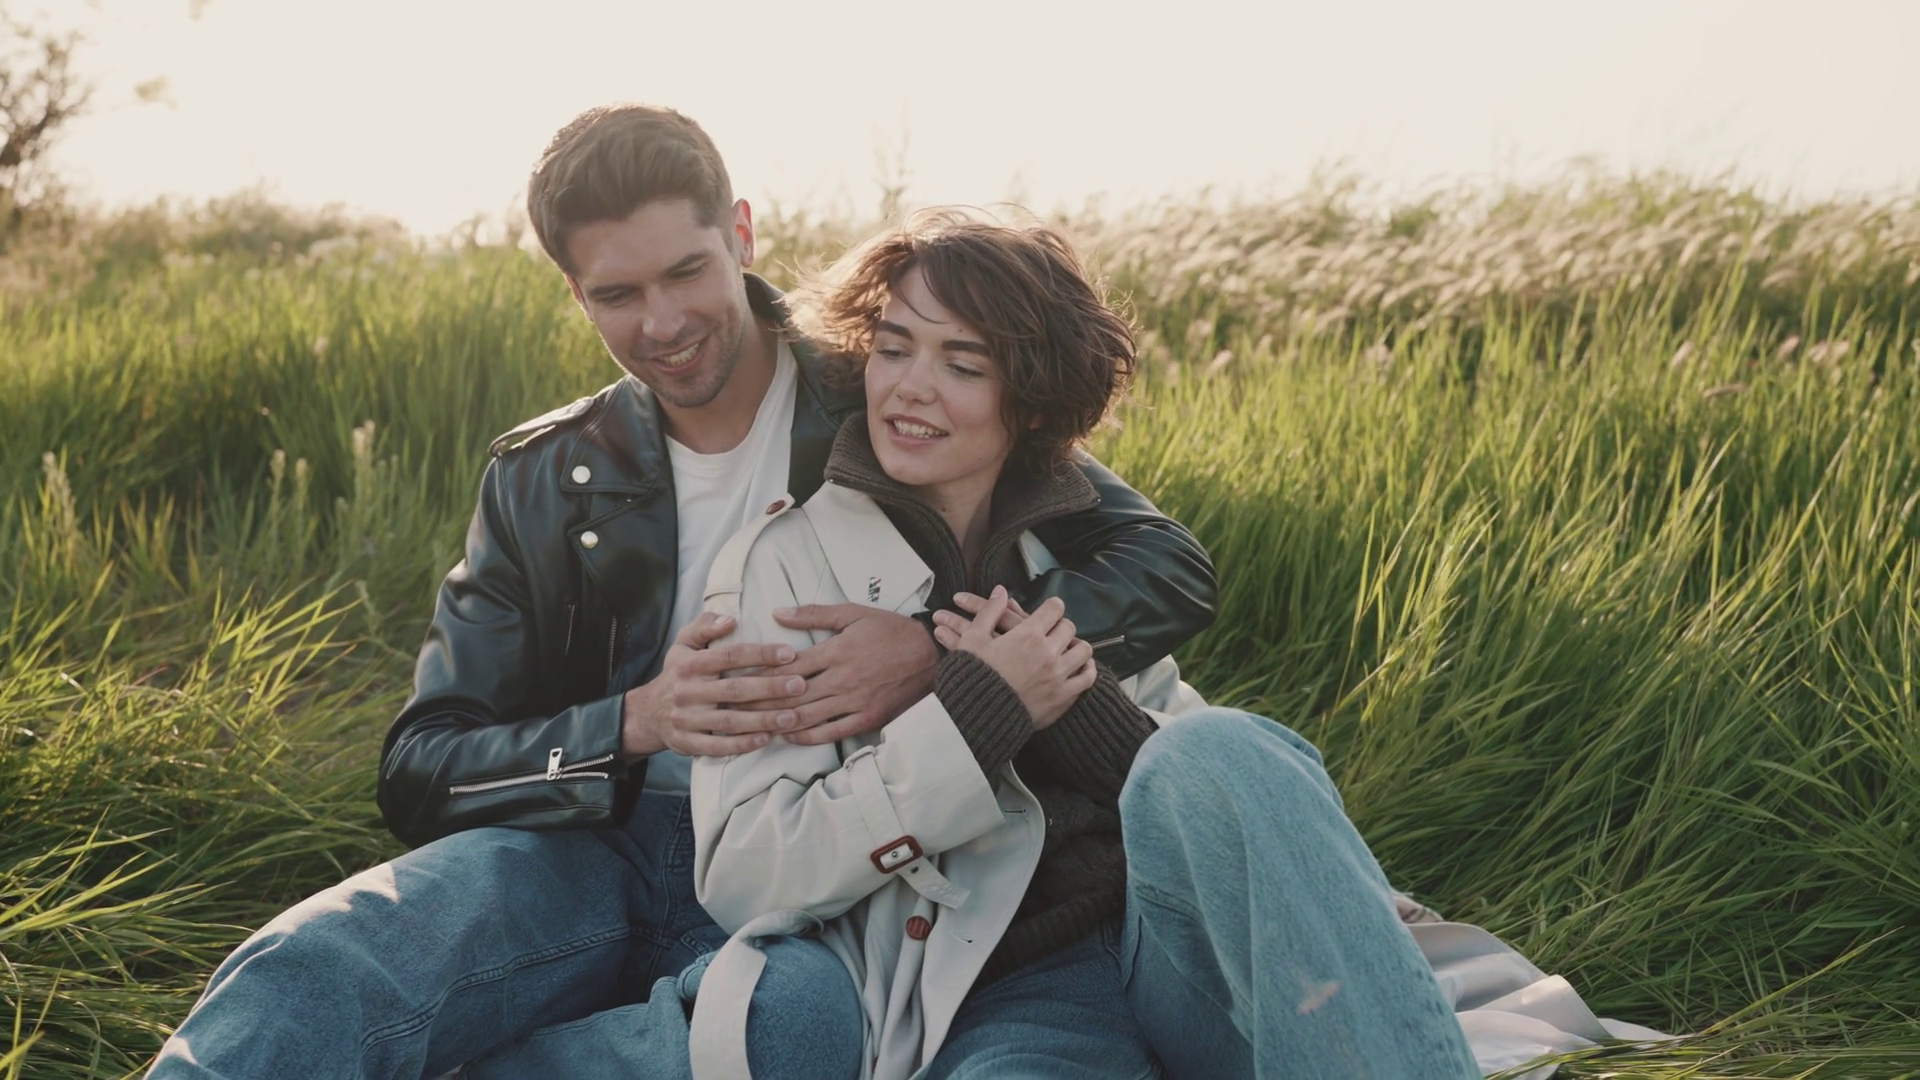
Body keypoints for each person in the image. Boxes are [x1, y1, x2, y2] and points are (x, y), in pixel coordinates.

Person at [145, 105, 1218, 1080]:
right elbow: (423, 770)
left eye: (686, 273)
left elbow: (1163, 564)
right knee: (330, 960)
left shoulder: (889, 384)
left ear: (741, 235)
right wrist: (634, 723)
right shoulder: (541, 475)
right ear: (575, 293)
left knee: (787, 1028)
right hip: (591, 845)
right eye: (617, 294)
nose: (662, 323)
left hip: (823, 862)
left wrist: (934, 654)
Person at [682, 211, 1486, 1079]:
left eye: (962, 365)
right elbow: (747, 876)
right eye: (894, 348)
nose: (911, 388)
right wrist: (974, 717)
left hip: (1180, 947)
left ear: (1032, 404)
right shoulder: (783, 567)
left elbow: (1191, 777)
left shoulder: (1074, 548)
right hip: (1012, 990)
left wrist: (1069, 700)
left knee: (1221, 746)